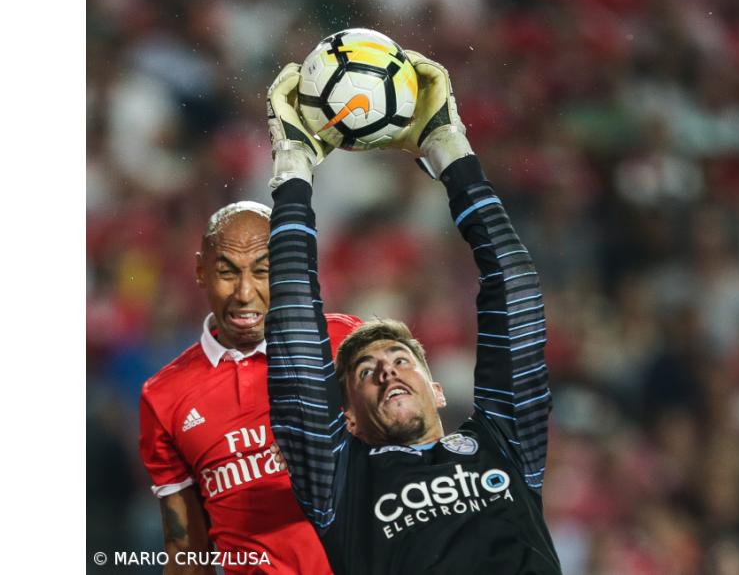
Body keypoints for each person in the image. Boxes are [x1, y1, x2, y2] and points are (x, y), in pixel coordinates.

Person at [264, 51, 560, 574]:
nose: (387, 369)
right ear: (346, 417)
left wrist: (451, 150)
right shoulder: (338, 480)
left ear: (438, 389)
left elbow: (513, 290)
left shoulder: (503, 443)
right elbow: (293, 342)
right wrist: (293, 170)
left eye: (401, 359)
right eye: (365, 371)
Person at [139, 201, 361, 574]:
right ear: (200, 272)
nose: (245, 293)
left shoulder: (344, 341)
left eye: (263, 271)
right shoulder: (164, 396)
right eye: (228, 273)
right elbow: (186, 550)